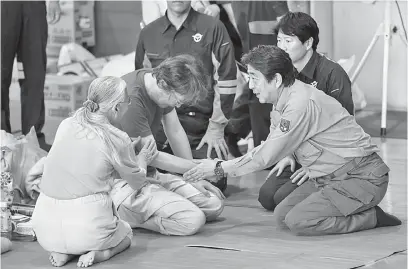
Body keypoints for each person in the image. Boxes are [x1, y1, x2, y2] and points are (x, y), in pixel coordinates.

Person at [183, 45, 401, 236]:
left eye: (254, 78)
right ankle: (353, 208)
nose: (250, 86)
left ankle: (371, 218)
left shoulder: (299, 103)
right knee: (282, 216)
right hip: (327, 177)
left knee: (299, 221)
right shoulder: (281, 102)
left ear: (276, 79)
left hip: (360, 177)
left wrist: (220, 168)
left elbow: (264, 156)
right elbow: (270, 147)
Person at [32, 77, 146, 267]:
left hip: (44, 229)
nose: (130, 105)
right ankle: (103, 253)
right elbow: (137, 182)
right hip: (88, 228)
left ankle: (65, 253)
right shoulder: (118, 138)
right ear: (117, 107)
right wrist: (141, 158)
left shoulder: (66, 124)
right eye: (128, 101)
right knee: (126, 233)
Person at [112, 54, 225, 236]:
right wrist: (199, 168)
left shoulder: (156, 79)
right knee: (193, 220)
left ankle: (148, 210)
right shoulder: (131, 101)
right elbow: (154, 157)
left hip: (148, 173)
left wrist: (193, 176)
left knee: (214, 205)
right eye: (178, 99)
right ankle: (126, 216)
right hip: (123, 182)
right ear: (164, 85)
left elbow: (174, 130)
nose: (179, 105)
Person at [258, 12, 355, 211]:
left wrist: (318, 166)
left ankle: (339, 188)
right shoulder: (282, 74)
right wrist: (286, 154)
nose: (281, 47)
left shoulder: (332, 74)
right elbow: (281, 120)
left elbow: (343, 130)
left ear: (308, 43)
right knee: (267, 197)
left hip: (329, 157)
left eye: (288, 40)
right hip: (298, 153)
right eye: (279, 40)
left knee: (283, 201)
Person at [135, 1, 237, 170]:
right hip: (161, 125)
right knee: (146, 175)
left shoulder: (213, 27)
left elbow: (227, 80)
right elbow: (142, 85)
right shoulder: (149, 32)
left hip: (203, 126)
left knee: (213, 178)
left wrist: (216, 128)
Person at [1, 0, 61, 151]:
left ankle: (33, 138)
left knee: (35, 72)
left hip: (34, 4)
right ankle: (2, 137)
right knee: (1, 73)